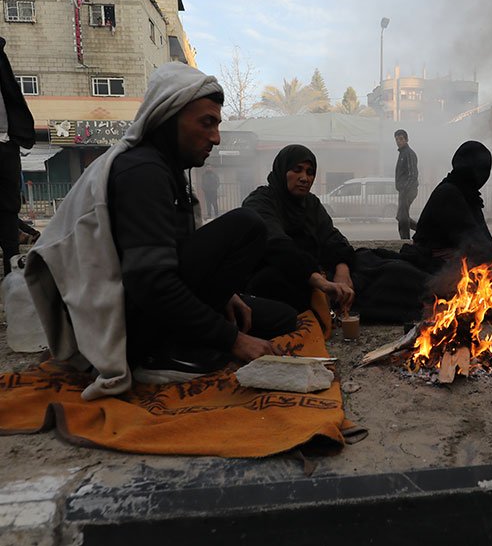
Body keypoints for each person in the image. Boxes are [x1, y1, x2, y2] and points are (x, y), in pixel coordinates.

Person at [25, 63, 295, 400]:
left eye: (217, 124)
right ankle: (161, 353)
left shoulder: (166, 171)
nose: (216, 137)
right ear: (168, 120)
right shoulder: (142, 171)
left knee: (281, 317)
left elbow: (178, 251)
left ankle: (189, 335)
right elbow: (151, 283)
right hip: (126, 327)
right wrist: (233, 341)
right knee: (248, 226)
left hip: (149, 304)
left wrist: (227, 295)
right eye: (206, 123)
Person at [399, 140, 492, 321]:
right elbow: (473, 242)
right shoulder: (449, 193)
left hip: (454, 262)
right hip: (434, 264)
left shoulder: (467, 194)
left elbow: (483, 241)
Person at [242, 144, 356, 316]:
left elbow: (332, 237)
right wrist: (321, 283)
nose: (304, 178)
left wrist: (342, 270)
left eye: (310, 172)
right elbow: (277, 245)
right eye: (297, 170)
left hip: (317, 272)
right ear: (283, 170)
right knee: (275, 282)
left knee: (389, 270)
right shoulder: (261, 201)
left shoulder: (311, 203)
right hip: (284, 273)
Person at [0, 36, 35, 275]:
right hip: (6, 143)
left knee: (8, 208)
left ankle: (12, 268)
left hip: (5, 143)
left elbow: (11, 94)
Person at [394, 129, 418, 240]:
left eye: (401, 139)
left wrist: (404, 189)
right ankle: (423, 230)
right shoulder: (402, 153)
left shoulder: (409, 153)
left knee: (403, 218)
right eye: (397, 139)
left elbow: (413, 174)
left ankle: (405, 241)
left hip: (409, 190)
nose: (399, 141)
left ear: (406, 139)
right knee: (401, 216)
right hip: (404, 190)